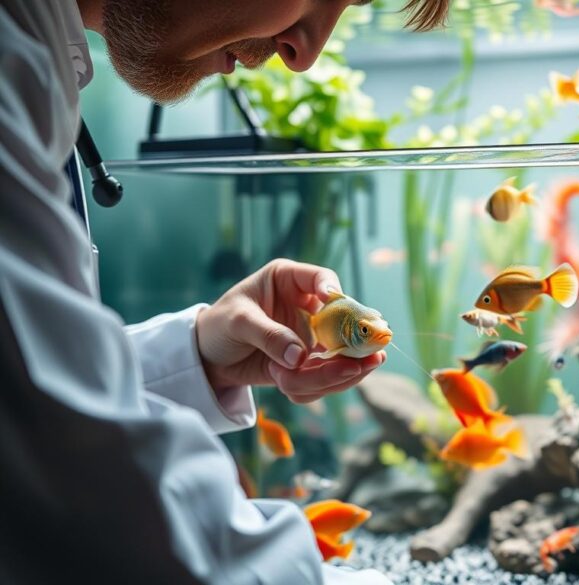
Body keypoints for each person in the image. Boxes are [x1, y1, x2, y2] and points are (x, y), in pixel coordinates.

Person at [0, 0, 449, 582]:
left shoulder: (36, 57)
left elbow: (32, 387)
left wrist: (199, 353)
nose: (305, 54)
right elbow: (88, 497)